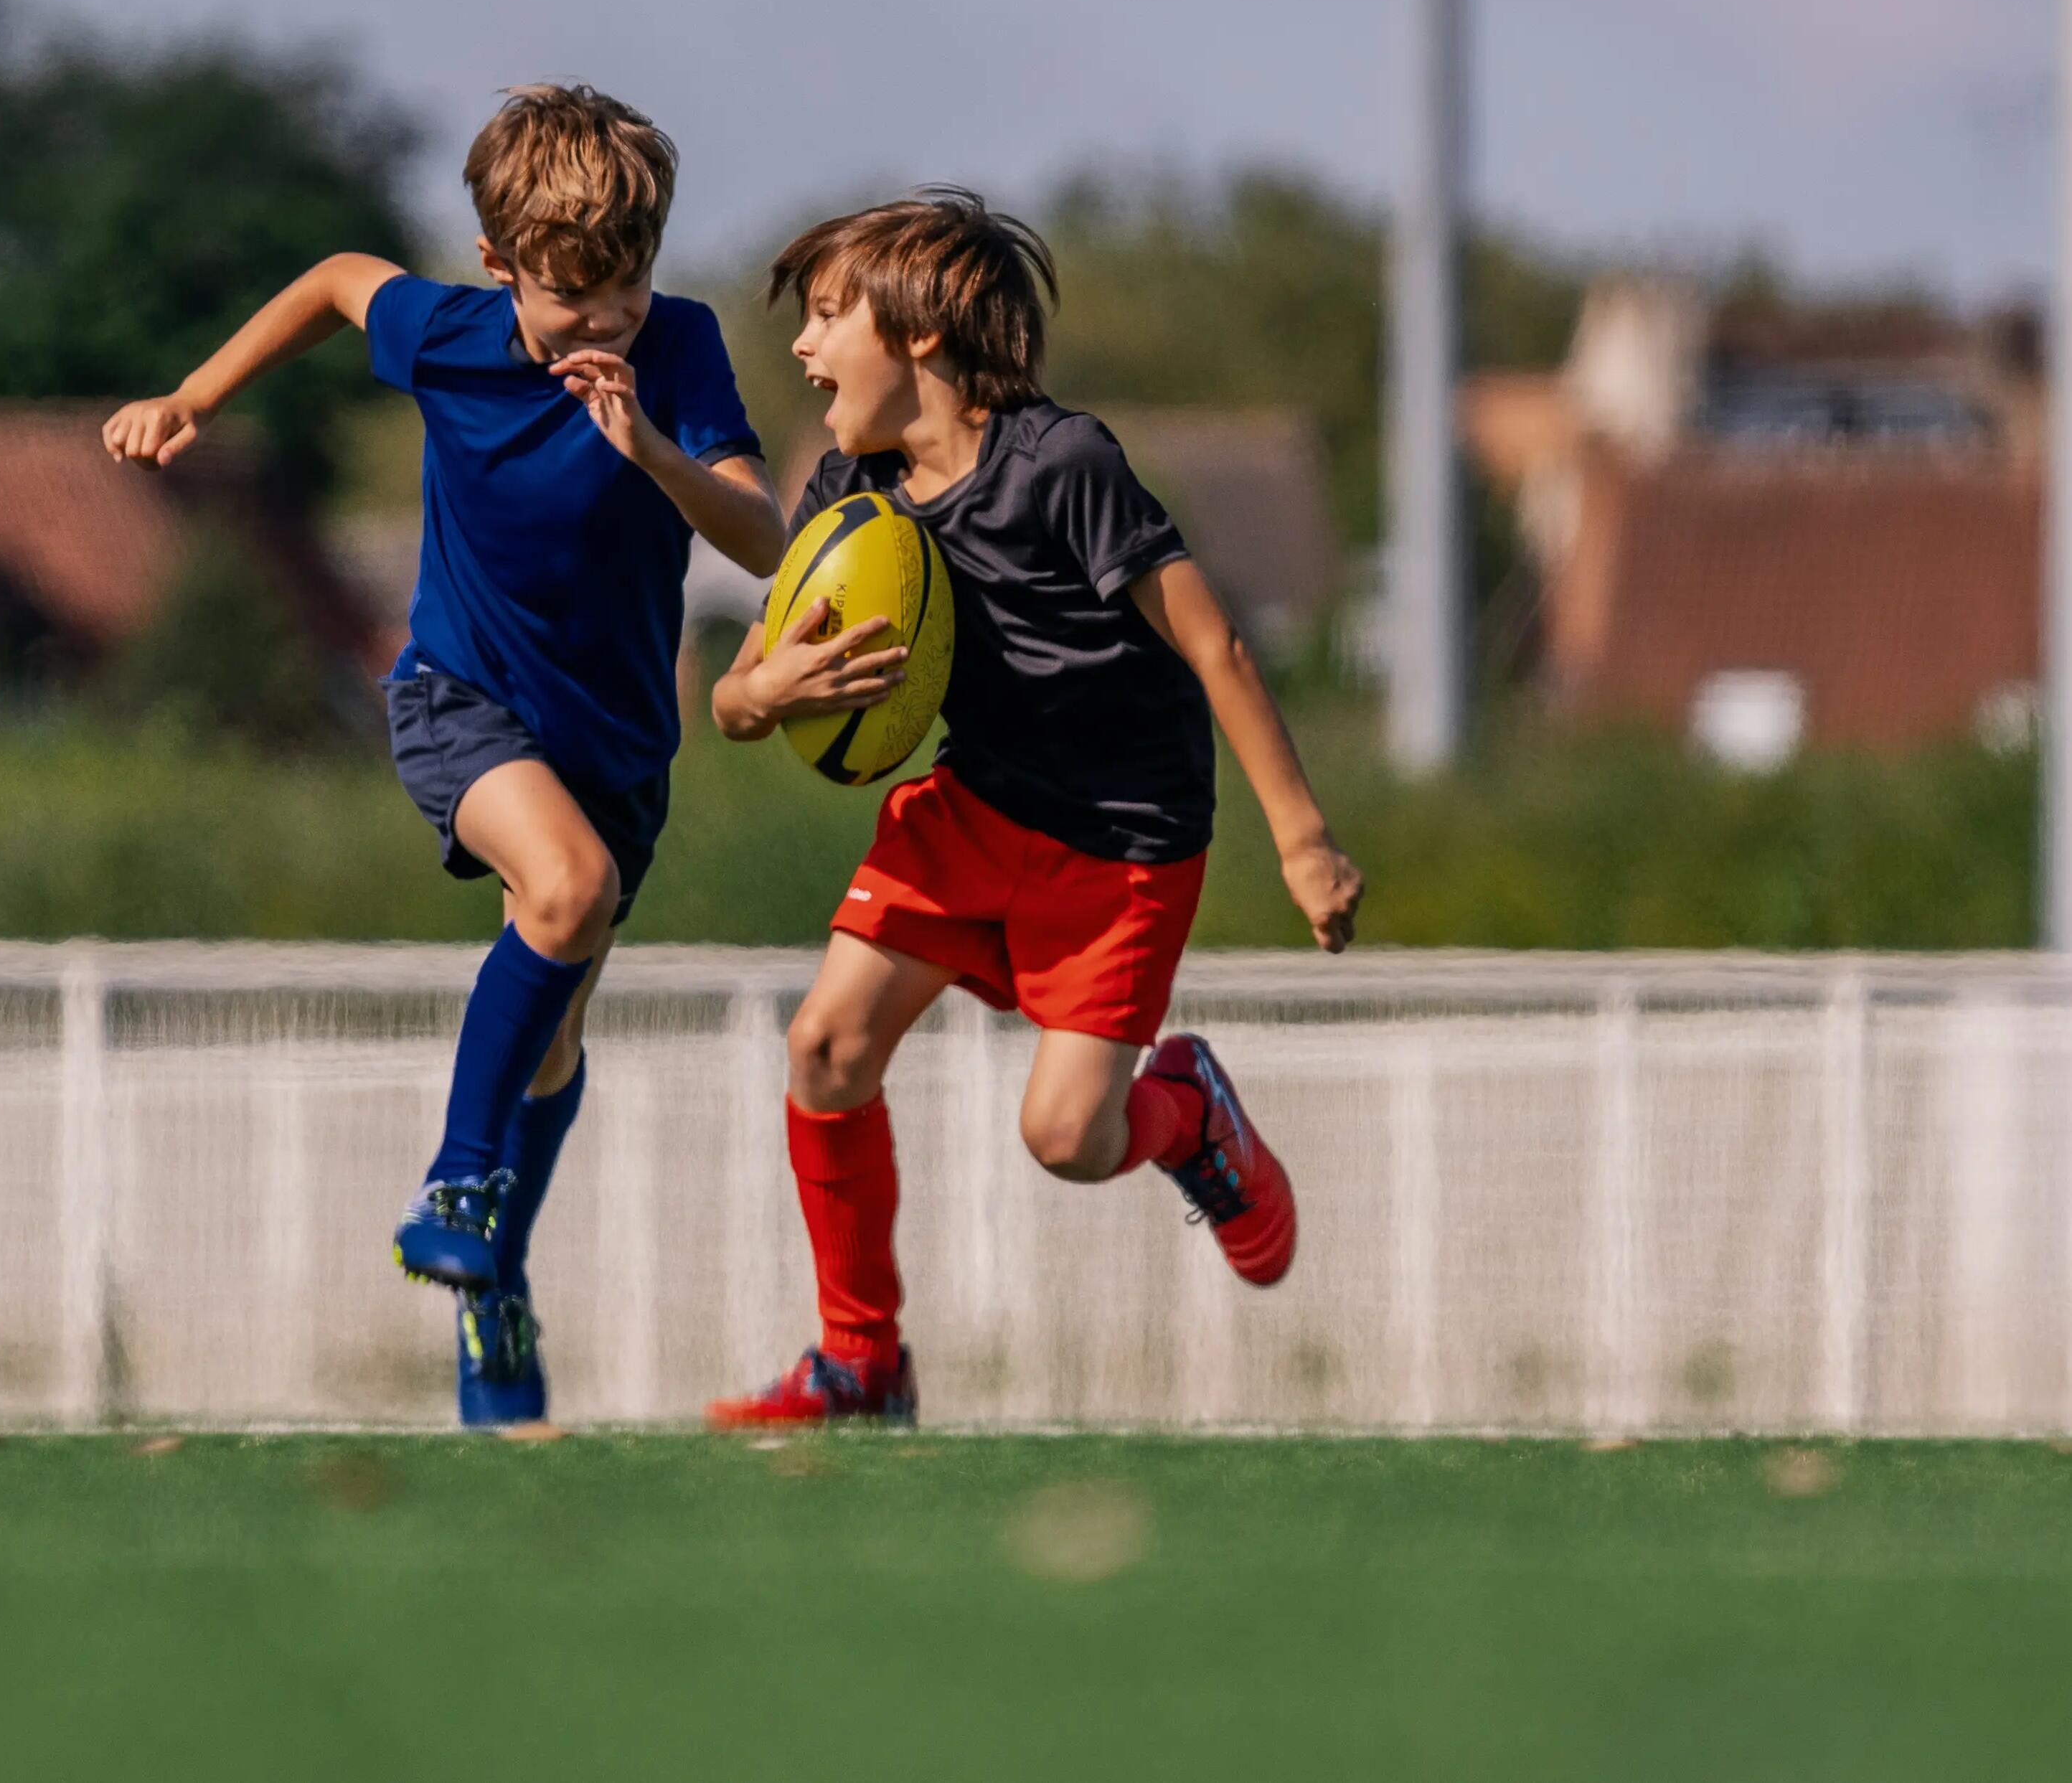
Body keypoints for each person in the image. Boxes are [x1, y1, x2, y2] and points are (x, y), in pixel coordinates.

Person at [103, 83, 783, 1426]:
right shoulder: (450, 333)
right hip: (457, 698)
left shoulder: (683, 351)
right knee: (568, 891)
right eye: (568, 294)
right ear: (497, 267)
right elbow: (337, 281)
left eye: (627, 287)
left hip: (620, 745)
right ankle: (454, 1182)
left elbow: (764, 538)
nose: (601, 321)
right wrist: (195, 396)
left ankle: (495, 1281)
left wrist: (651, 448)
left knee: (557, 1035)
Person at [703, 191, 1362, 1429]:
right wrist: (762, 689)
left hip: (1122, 843)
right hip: (973, 805)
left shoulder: (1062, 463)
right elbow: (738, 700)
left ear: (921, 334)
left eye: (829, 316)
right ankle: (862, 1363)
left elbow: (1212, 640)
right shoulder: (853, 482)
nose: (802, 347)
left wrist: (1304, 841)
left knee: (1066, 1137)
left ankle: (1191, 1116)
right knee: (825, 1048)